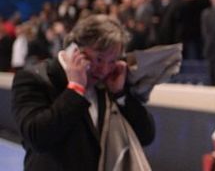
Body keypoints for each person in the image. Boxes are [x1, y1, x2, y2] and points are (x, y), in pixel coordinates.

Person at [11, 14, 155, 171]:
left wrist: (120, 94)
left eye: (112, 61)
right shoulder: (34, 78)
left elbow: (146, 136)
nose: (104, 70)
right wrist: (75, 89)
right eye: (99, 59)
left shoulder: (108, 83)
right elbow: (37, 138)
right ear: (75, 49)